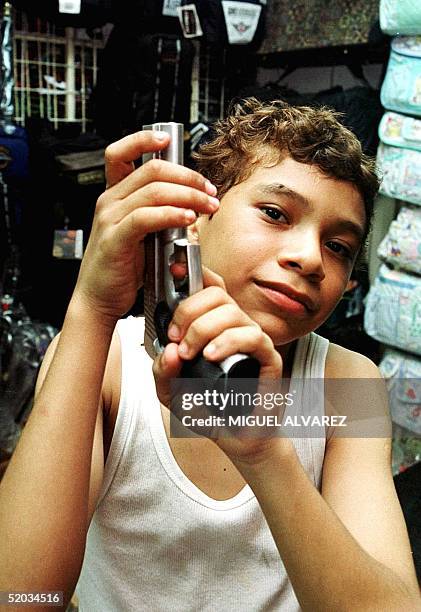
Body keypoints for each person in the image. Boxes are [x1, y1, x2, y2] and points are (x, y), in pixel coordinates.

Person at [0, 98, 420, 612]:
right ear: (193, 221)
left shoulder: (345, 385)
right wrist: (91, 308)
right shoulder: (109, 363)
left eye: (338, 246)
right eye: (275, 213)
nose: (310, 257)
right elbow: (19, 597)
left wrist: (265, 454)